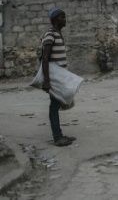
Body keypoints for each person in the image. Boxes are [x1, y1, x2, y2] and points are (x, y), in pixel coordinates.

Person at [41, 8, 76, 147]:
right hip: (54, 78)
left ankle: (59, 134)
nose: (65, 19)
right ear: (55, 19)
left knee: (56, 105)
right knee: (54, 106)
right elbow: (45, 58)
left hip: (59, 77)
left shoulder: (58, 34)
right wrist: (47, 81)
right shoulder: (50, 34)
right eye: (62, 17)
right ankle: (57, 137)